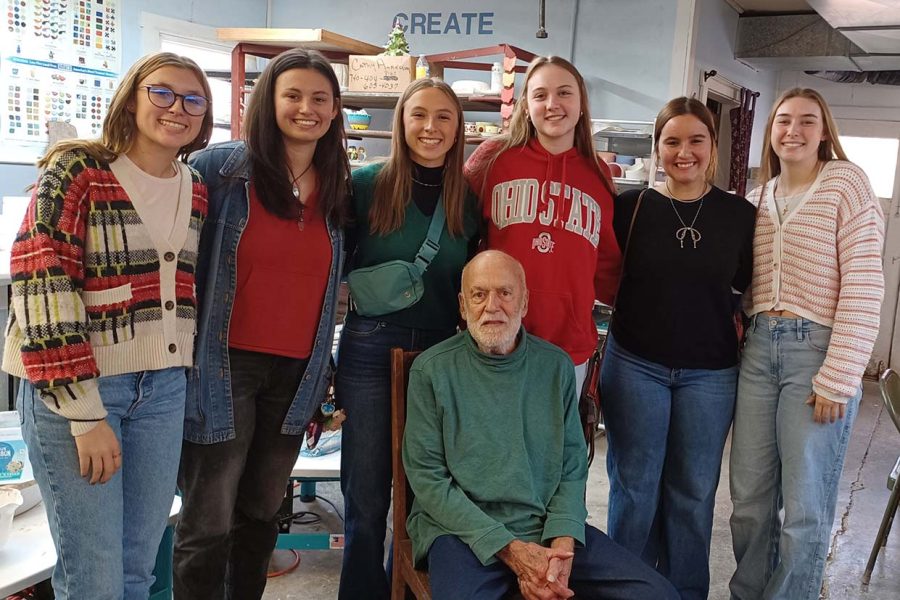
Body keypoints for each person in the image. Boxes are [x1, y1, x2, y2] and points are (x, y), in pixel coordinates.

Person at [3, 52, 212, 599]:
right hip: (80, 392)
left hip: (162, 391)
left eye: (194, 99)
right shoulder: (77, 171)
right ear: (132, 96)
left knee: (136, 570)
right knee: (92, 578)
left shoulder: (195, 187)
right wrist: (82, 411)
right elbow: (42, 286)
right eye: (162, 92)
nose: (177, 108)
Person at [172, 48, 349, 599]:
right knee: (208, 521)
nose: (306, 108)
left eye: (320, 98)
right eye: (292, 95)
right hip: (222, 368)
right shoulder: (219, 171)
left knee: (263, 511)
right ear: (266, 101)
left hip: (297, 372)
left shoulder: (342, 186)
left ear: (335, 109)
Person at [402, 250, 678, 600]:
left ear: (525, 302)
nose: (492, 306)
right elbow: (428, 479)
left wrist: (562, 542)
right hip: (460, 533)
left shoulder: (556, 366)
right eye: (479, 294)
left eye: (505, 293)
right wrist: (511, 551)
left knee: (657, 594)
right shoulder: (432, 371)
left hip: (544, 527)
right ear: (462, 305)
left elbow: (572, 465)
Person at [729, 88, 885, 600]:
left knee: (803, 508)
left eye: (807, 121)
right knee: (749, 501)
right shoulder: (758, 198)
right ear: (770, 131)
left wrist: (838, 377)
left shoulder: (846, 183)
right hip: (757, 352)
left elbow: (864, 282)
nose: (793, 130)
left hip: (816, 353)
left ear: (824, 131)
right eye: (783, 120)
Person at [599, 97, 756, 599]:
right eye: (672, 141)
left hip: (710, 375)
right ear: (658, 146)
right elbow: (603, 277)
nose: (683, 152)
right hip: (635, 365)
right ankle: (629, 589)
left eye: (695, 141)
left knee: (692, 494)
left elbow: (747, 287)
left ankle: (685, 592)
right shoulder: (630, 207)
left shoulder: (740, 216)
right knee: (634, 489)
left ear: (712, 148)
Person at [337, 77, 479, 600]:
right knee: (367, 493)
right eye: (419, 114)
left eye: (444, 116)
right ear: (401, 121)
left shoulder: (469, 199)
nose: (430, 127)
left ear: (458, 126)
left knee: (429, 491)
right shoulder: (365, 185)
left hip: (442, 352)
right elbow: (332, 267)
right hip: (371, 347)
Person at [464, 55, 620, 391]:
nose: (552, 105)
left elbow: (606, 263)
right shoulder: (493, 159)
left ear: (581, 105)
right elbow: (457, 232)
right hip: (497, 340)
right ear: (525, 106)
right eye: (540, 95)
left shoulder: (599, 175)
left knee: (555, 444)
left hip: (569, 348)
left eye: (564, 93)